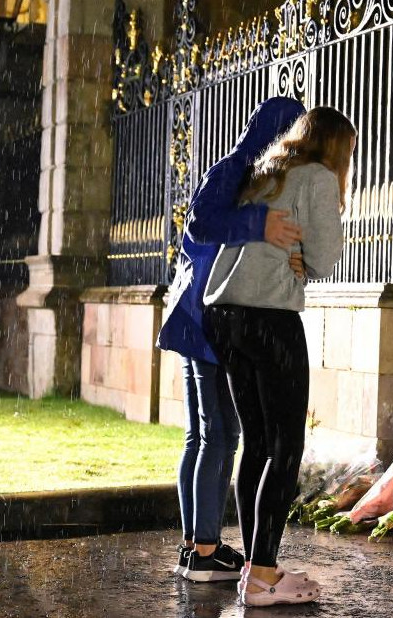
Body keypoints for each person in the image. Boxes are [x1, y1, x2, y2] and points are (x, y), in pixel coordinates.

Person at [202, 106, 355, 607]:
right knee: (286, 447)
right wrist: (306, 260)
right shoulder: (318, 177)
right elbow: (327, 257)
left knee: (258, 443)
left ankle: (254, 565)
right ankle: (263, 575)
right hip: (270, 318)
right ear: (337, 148)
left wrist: (300, 257)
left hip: (225, 316)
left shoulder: (266, 169)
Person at [157, 97, 306, 582]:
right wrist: (258, 223)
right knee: (220, 435)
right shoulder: (239, 169)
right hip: (208, 316)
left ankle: (194, 546)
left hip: (195, 315)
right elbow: (200, 223)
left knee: (202, 435)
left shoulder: (246, 169)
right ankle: (203, 550)